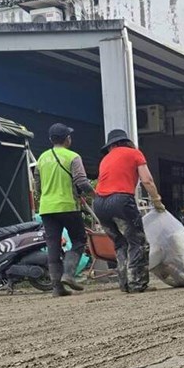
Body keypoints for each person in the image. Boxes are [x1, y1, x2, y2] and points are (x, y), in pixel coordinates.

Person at [94, 129, 165, 293]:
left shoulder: (105, 159)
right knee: (137, 242)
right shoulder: (134, 153)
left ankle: (124, 283)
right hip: (120, 200)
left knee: (120, 243)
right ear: (125, 142)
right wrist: (156, 200)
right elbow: (147, 180)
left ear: (111, 145)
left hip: (99, 203)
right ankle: (137, 283)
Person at [35, 123, 93, 297]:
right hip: (67, 205)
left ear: (51, 139)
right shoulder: (73, 156)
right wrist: (94, 194)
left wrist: (45, 196)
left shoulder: (42, 158)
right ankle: (68, 274)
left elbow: (37, 185)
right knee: (79, 239)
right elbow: (81, 181)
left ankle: (56, 287)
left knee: (52, 245)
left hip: (46, 207)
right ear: (67, 139)